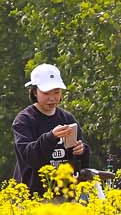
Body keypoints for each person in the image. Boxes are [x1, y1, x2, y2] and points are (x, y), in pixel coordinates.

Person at [12, 63, 87, 193]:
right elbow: (28, 155)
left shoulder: (67, 118)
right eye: (46, 93)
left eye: (56, 92)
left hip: (65, 195)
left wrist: (82, 151)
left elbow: (80, 164)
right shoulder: (24, 120)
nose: (52, 98)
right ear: (35, 92)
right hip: (34, 196)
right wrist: (51, 137)